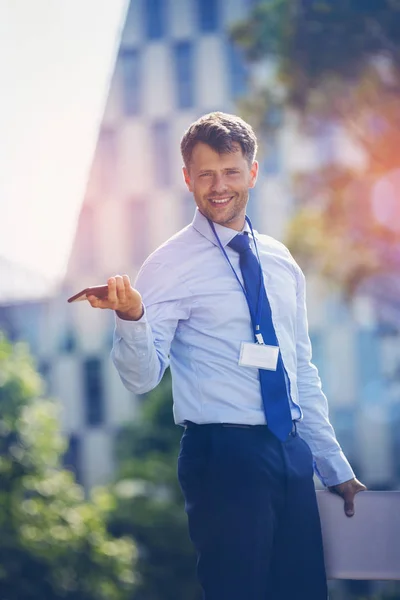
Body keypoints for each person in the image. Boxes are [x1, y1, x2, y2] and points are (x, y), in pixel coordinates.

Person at [87, 112, 366, 599]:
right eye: (206, 174)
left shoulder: (281, 261)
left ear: (253, 173)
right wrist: (132, 318)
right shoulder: (169, 264)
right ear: (187, 178)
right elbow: (141, 378)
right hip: (223, 458)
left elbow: (301, 371)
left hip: (290, 451)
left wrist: (333, 466)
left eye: (231, 172)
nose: (219, 186)